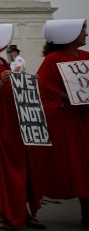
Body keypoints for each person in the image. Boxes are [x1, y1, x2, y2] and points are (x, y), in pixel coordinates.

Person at [0, 24, 44, 230]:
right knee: (3, 170)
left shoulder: (2, 61)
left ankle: (22, 212)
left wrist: (26, 82)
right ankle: (4, 214)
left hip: (12, 122)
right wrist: (2, 82)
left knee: (19, 168)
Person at [35, 19, 89, 228]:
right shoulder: (53, 59)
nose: (85, 35)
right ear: (69, 35)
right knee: (79, 164)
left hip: (84, 119)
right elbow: (44, 90)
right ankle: (86, 210)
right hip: (68, 120)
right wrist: (68, 97)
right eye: (81, 31)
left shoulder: (86, 57)